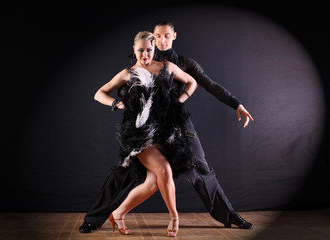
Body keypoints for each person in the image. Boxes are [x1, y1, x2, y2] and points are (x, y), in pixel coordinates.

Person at [79, 21, 254, 234]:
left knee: (200, 168)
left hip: (177, 128)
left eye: (166, 36)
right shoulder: (137, 65)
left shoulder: (182, 64)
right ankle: (95, 219)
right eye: (158, 36)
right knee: (125, 173)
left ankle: (228, 215)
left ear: (174, 36)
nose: (162, 40)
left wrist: (236, 103)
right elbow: (108, 91)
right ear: (150, 39)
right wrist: (119, 103)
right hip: (145, 130)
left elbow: (209, 84)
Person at [93, 31, 198, 236]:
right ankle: (175, 218)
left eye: (149, 50)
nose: (145, 54)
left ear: (154, 49)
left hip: (165, 132)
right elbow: (99, 93)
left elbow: (191, 82)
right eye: (140, 50)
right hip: (139, 134)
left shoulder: (166, 68)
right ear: (134, 50)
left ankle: (118, 213)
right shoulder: (128, 73)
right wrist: (116, 102)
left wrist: (180, 101)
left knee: (152, 183)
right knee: (165, 171)